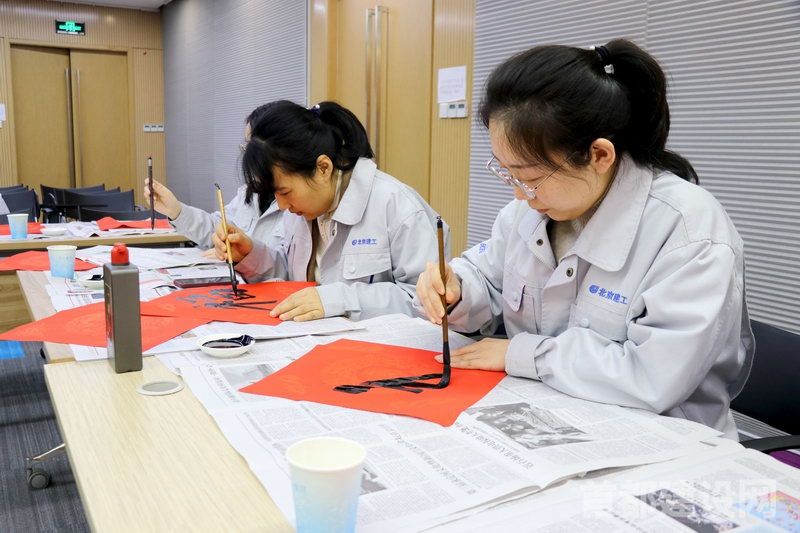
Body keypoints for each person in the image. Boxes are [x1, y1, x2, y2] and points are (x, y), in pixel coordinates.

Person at [415, 39, 754, 439]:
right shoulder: (530, 211)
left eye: (530, 177)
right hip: (546, 415)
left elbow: (653, 378)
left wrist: (521, 354)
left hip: (660, 440)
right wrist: (455, 288)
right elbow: (488, 279)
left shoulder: (689, 231)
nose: (520, 195)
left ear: (599, 155)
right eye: (508, 173)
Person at [213, 100, 449, 322]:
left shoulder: (396, 206)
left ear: (323, 168)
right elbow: (290, 276)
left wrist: (338, 300)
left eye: (284, 192)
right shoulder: (302, 210)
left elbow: (426, 301)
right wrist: (250, 255)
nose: (282, 205)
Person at [144, 104, 280, 249]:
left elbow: (280, 260)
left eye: (250, 146)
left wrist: (242, 256)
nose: (246, 154)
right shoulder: (250, 192)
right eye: (245, 146)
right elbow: (218, 228)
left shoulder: (292, 206)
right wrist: (176, 211)